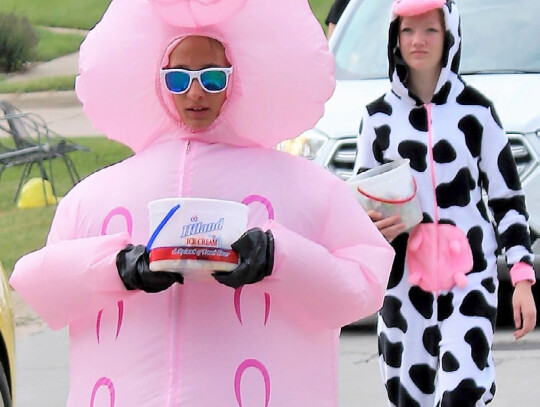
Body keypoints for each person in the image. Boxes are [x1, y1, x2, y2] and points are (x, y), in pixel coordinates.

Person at [10, 0, 395, 406]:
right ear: (157, 79)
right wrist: (120, 269)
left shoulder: (308, 189)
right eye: (179, 79)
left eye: (212, 78)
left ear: (238, 76)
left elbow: (365, 283)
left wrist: (277, 258)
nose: (196, 93)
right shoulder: (96, 196)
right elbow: (38, 285)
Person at [353, 0, 536, 405]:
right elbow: (362, 205)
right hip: (402, 284)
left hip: (469, 276)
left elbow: (507, 197)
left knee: (465, 391)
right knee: (407, 395)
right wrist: (371, 227)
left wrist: (522, 276)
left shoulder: (478, 112)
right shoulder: (377, 118)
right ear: (394, 39)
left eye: (430, 30)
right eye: (407, 31)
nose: (418, 41)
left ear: (449, 35)